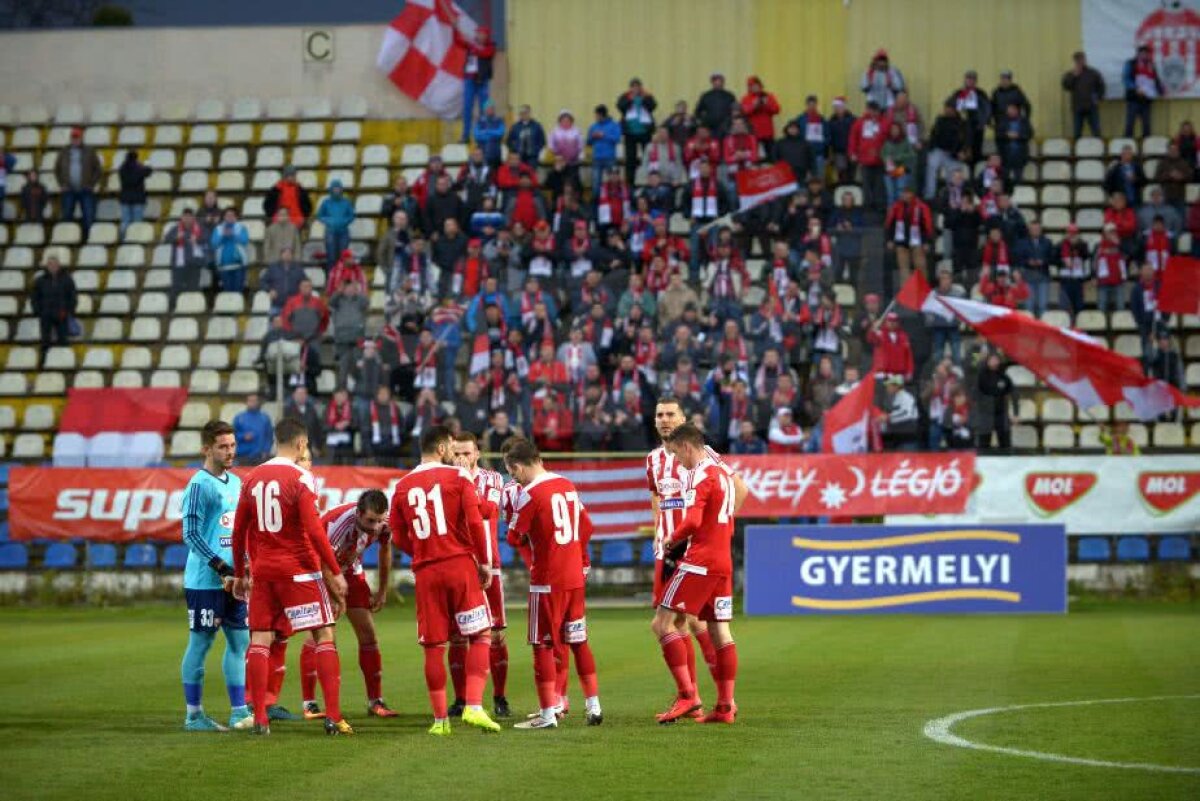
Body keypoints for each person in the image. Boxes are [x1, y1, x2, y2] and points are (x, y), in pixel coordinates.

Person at [230, 418, 351, 736]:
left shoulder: (252, 477)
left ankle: (259, 718)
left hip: (264, 572)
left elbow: (240, 529)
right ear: (300, 444)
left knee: (260, 640)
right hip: (299, 571)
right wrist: (335, 572)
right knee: (324, 634)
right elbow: (313, 529)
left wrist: (240, 572)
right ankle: (333, 717)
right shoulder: (302, 477)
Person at [389, 425, 503, 736]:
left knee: (433, 647)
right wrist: (485, 564)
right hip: (459, 565)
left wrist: (423, 549)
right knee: (480, 634)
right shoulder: (459, 477)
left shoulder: (401, 486)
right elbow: (474, 520)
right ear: (441, 449)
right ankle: (474, 706)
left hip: (426, 571)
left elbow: (397, 535)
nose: (454, 454)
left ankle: (440, 720)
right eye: (452, 449)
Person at [645, 397, 747, 719]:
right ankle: (707, 699)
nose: (664, 419)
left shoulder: (704, 458)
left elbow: (738, 487)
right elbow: (657, 499)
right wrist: (659, 534)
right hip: (673, 548)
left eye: (670, 414)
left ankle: (690, 696)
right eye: (659, 414)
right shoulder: (653, 460)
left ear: (682, 418)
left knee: (678, 621)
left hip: (695, 550)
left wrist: (718, 526)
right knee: (692, 622)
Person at [503, 438, 603, 729]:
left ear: (518, 467)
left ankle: (548, 714)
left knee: (542, 645)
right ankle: (593, 706)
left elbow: (513, 536)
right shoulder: (567, 485)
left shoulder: (529, 494)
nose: (514, 478)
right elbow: (587, 526)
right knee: (579, 641)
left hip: (547, 581)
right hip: (574, 577)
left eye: (513, 472)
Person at [300, 491, 398, 719]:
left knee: (369, 635)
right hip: (318, 570)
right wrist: (336, 597)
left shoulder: (385, 523)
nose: (375, 527)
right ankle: (310, 704)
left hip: (350, 568)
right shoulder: (338, 524)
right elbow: (322, 561)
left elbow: (385, 551)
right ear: (358, 514)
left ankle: (376, 701)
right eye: (370, 521)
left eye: (379, 520)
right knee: (322, 637)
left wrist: (382, 591)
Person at [178, 421, 249, 732]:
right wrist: (221, 567)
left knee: (241, 641)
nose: (230, 451)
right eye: (223, 446)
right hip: (206, 581)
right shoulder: (198, 485)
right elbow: (190, 534)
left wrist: (243, 568)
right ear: (206, 449)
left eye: (232, 445)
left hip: (235, 580)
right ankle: (194, 716)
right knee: (201, 643)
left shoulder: (237, 483)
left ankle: (239, 712)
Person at [451, 432, 511, 718]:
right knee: (457, 635)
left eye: (466, 453)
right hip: (459, 565)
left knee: (497, 634)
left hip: (489, 563)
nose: (461, 459)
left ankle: (500, 697)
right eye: (456, 454)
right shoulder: (444, 479)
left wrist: (462, 490)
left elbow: (488, 510)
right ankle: (461, 699)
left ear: (476, 454)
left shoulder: (493, 479)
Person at [53, 127, 103, 236]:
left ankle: (88, 239)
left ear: (81, 138)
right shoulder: (64, 151)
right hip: (68, 189)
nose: (75, 140)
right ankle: (68, 238)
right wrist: (61, 184)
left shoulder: (90, 151)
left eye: (77, 138)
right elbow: (57, 169)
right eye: (73, 138)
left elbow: (98, 169)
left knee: (88, 216)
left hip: (86, 189)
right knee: (67, 216)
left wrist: (92, 184)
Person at [31, 256, 76, 360]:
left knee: (63, 341)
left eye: (55, 264)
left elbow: (72, 297)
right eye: (50, 264)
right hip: (45, 315)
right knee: (45, 341)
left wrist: (69, 311)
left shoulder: (67, 279)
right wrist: (38, 311)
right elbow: (34, 297)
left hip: (62, 314)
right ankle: (44, 362)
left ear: (59, 265)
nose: (53, 266)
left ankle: (63, 362)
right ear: (47, 266)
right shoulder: (40, 281)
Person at [457, 24, 496, 143]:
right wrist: (455, 28)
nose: (479, 35)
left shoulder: (491, 46)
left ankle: (483, 134)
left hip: (482, 81)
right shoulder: (471, 44)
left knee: (484, 109)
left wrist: (472, 45)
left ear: (487, 36)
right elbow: (458, 41)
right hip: (469, 80)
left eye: (481, 33)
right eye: (478, 33)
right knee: (467, 108)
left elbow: (484, 53)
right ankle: (465, 135)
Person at [162, 208, 207, 307]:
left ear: (193, 218)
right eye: (185, 217)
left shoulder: (200, 228)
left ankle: (192, 309)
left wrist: (197, 241)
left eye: (189, 217)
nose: (187, 219)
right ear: (182, 218)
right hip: (179, 264)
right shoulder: (176, 228)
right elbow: (166, 240)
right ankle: (173, 309)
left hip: (195, 263)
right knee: (176, 288)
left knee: (193, 288)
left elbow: (207, 240)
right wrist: (176, 238)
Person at [616, 78, 657, 186]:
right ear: (630, 88)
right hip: (630, 132)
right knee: (630, 160)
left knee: (647, 158)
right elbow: (620, 107)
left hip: (645, 132)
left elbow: (653, 106)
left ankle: (648, 180)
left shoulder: (647, 95)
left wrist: (644, 98)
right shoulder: (625, 96)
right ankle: (630, 183)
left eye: (637, 86)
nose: (635, 89)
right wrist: (630, 99)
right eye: (633, 87)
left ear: (640, 87)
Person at [947, 70, 991, 165]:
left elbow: (987, 109)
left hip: (977, 129)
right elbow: (949, 105)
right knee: (960, 154)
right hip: (961, 129)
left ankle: (973, 177)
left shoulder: (981, 93)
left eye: (972, 79)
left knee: (975, 156)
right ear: (965, 80)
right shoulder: (959, 93)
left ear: (976, 81)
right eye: (968, 79)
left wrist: (982, 123)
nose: (970, 81)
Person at [849, 102, 886, 211]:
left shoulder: (884, 122)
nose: (873, 113)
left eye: (875, 111)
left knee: (879, 184)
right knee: (866, 184)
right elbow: (853, 139)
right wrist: (852, 153)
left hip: (880, 159)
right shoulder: (859, 123)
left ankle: (879, 205)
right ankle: (868, 206)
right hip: (864, 160)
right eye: (871, 110)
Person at [974, 351, 1015, 451]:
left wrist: (1014, 413)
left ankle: (1006, 461)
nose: (994, 362)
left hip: (1001, 413)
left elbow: (1012, 393)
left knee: (1005, 442)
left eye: (996, 359)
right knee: (983, 443)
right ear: (987, 361)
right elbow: (975, 394)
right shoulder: (981, 376)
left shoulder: (1004, 377)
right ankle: (982, 463)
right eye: (992, 359)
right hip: (985, 414)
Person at [926, 101, 967, 199]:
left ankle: (952, 198)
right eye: (946, 108)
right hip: (939, 150)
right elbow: (933, 135)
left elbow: (966, 140)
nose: (947, 110)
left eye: (950, 108)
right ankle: (929, 196)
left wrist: (963, 151)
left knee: (953, 175)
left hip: (954, 153)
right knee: (931, 166)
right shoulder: (940, 120)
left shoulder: (962, 123)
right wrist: (931, 148)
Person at [1062, 51, 1106, 139]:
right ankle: (1077, 150)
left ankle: (1099, 149)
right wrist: (1074, 76)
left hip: (1091, 106)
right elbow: (1066, 86)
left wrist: (1099, 98)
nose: (1080, 62)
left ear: (1085, 60)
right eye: (1078, 60)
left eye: (1082, 59)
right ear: (1074, 61)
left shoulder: (1093, 73)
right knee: (1077, 132)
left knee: (1096, 131)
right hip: (1077, 107)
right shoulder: (1070, 74)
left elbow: (1101, 86)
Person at [1123, 44, 1164, 138]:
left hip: (1146, 100)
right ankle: (1127, 145)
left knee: (1147, 125)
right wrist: (1135, 88)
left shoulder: (1151, 65)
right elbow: (1126, 79)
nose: (1145, 55)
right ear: (1138, 54)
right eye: (1143, 53)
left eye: (1147, 53)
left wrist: (1160, 90)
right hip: (1133, 98)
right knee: (1130, 124)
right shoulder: (1130, 63)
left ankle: (1146, 147)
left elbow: (1155, 79)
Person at [316, 179, 355, 271]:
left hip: (343, 232)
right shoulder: (326, 202)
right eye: (335, 188)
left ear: (341, 190)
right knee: (331, 257)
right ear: (331, 189)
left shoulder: (346, 202)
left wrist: (344, 221)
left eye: (338, 188)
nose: (336, 190)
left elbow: (351, 215)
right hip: (330, 232)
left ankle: (344, 276)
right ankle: (332, 277)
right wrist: (329, 221)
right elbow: (320, 215)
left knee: (344, 256)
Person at [210, 207, 250, 292]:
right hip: (224, 266)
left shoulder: (241, 228)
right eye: (227, 215)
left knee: (238, 293)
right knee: (227, 294)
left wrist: (233, 235)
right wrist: (223, 237)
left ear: (236, 217)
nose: (230, 217)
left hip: (239, 266)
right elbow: (214, 244)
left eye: (232, 215)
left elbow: (245, 241)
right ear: (224, 217)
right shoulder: (218, 229)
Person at [260, 246, 305, 317]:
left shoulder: (298, 269)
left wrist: (300, 294)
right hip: (276, 305)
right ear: (281, 255)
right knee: (273, 327)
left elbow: (305, 283)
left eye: (289, 253)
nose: (287, 255)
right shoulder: (273, 268)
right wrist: (269, 290)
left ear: (292, 256)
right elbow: (262, 282)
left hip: (293, 306)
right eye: (285, 253)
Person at [587, 105, 622, 195]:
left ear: (602, 115)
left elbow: (617, 138)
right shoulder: (593, 126)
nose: (596, 117)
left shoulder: (614, 125)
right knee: (595, 182)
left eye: (597, 115)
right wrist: (592, 137)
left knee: (613, 181)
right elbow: (589, 142)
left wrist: (604, 135)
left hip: (610, 157)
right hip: (596, 158)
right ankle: (596, 202)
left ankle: (613, 200)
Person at [996, 103, 1033, 188]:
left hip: (1020, 155)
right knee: (1004, 180)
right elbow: (998, 135)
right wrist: (1006, 135)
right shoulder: (1002, 121)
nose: (1010, 111)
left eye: (1012, 109)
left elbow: (1029, 134)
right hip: (1006, 155)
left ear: (1017, 110)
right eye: (1008, 110)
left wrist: (1018, 136)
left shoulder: (1024, 121)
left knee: (1019, 180)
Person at [117, 150, 152, 238]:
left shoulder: (122, 168)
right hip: (138, 198)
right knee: (137, 222)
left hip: (125, 198)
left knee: (125, 221)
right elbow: (148, 172)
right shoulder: (139, 168)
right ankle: (135, 239)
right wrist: (147, 165)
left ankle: (123, 240)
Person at [740, 75, 780, 152]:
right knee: (754, 156)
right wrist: (754, 106)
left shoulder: (768, 96)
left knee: (771, 156)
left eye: (756, 85)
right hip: (754, 132)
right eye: (751, 86)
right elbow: (743, 112)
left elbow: (777, 110)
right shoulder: (745, 98)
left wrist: (767, 104)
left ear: (760, 85)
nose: (754, 87)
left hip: (768, 132)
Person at [232, 393, 273, 464]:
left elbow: (269, 436)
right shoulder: (239, 418)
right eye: (250, 401)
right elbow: (232, 435)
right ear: (246, 402)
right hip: (242, 455)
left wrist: (266, 451)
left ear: (258, 402)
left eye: (254, 401)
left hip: (260, 456)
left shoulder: (265, 418)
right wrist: (243, 436)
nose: (252, 403)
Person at [696, 73, 737, 137]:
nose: (718, 83)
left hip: (726, 128)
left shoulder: (729, 96)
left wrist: (731, 122)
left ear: (723, 82)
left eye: (720, 81)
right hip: (710, 129)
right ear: (712, 82)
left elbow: (735, 110)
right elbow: (698, 111)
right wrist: (704, 123)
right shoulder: (706, 96)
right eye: (715, 81)